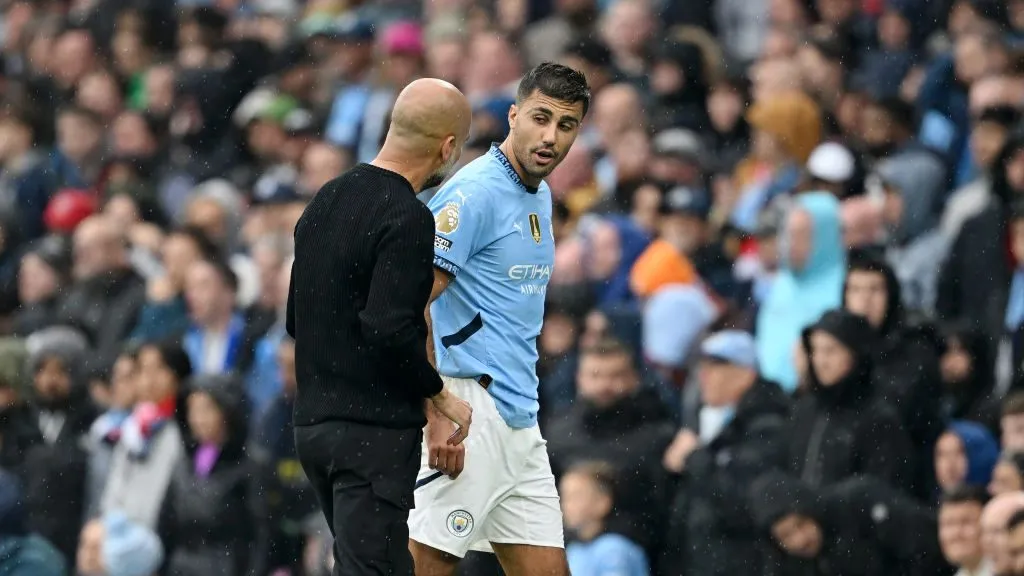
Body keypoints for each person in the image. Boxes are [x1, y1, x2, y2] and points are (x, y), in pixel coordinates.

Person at [409, 62, 590, 576]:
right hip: (468, 408)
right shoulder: (474, 193)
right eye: (540, 118)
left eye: (566, 125)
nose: (550, 137)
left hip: (519, 416)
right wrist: (435, 408)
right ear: (513, 116)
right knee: (425, 566)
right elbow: (412, 301)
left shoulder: (539, 193)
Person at [288, 78, 474, 576]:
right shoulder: (407, 216)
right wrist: (438, 394)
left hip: (314, 428)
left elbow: (296, 319)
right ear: (447, 148)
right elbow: (389, 330)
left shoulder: (325, 199)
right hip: (371, 434)